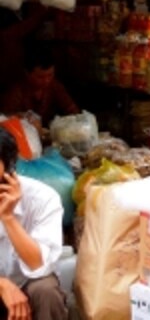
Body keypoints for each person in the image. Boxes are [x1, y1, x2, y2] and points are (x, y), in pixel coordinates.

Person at [0, 127, 68, 319]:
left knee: (46, 291)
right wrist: (3, 285)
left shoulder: (42, 198)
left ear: (8, 167)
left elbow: (39, 266)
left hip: (28, 283)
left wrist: (8, 218)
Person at [0, 47, 78, 132]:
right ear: (27, 73)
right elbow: (5, 119)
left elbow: (71, 109)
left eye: (50, 75)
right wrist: (21, 117)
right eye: (40, 77)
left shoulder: (55, 86)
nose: (46, 80)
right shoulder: (16, 92)